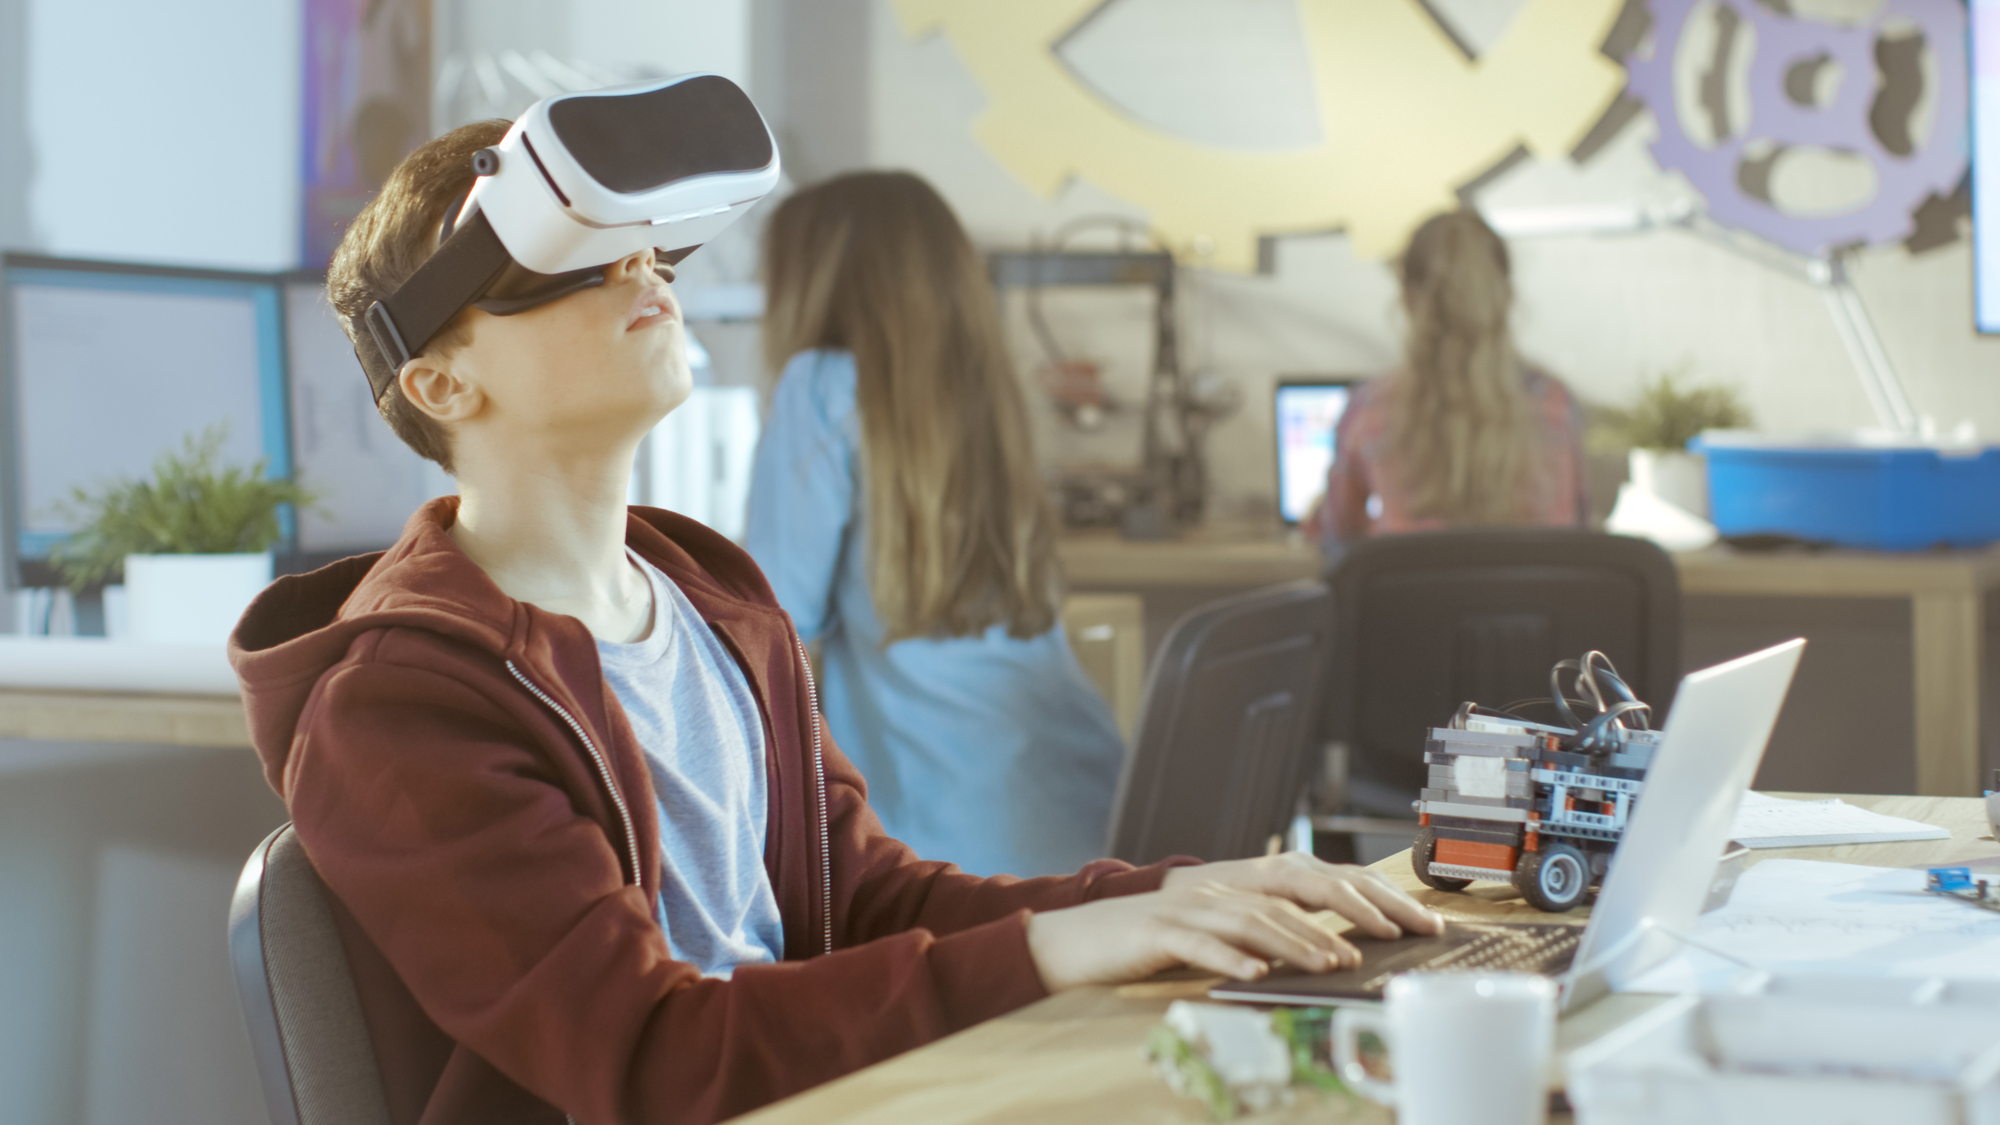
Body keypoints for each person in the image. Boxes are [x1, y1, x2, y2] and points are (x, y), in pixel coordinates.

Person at [229, 121, 1442, 1125]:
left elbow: (862, 901)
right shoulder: (399, 702)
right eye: (567, 264)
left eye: (647, 250)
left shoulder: (714, 608)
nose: (643, 274)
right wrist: (1047, 953)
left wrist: (1174, 898)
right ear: (441, 381)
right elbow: (646, 1060)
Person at [744, 171, 1122, 879]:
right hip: (1086, 803)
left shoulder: (821, 386)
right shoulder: (984, 396)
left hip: (946, 836)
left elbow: (769, 616)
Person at [1305, 209, 1588, 560]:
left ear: (1408, 299)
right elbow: (1578, 539)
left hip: (1411, 614)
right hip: (1530, 613)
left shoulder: (1370, 408)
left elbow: (1339, 541)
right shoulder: (1554, 403)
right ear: (1506, 296)